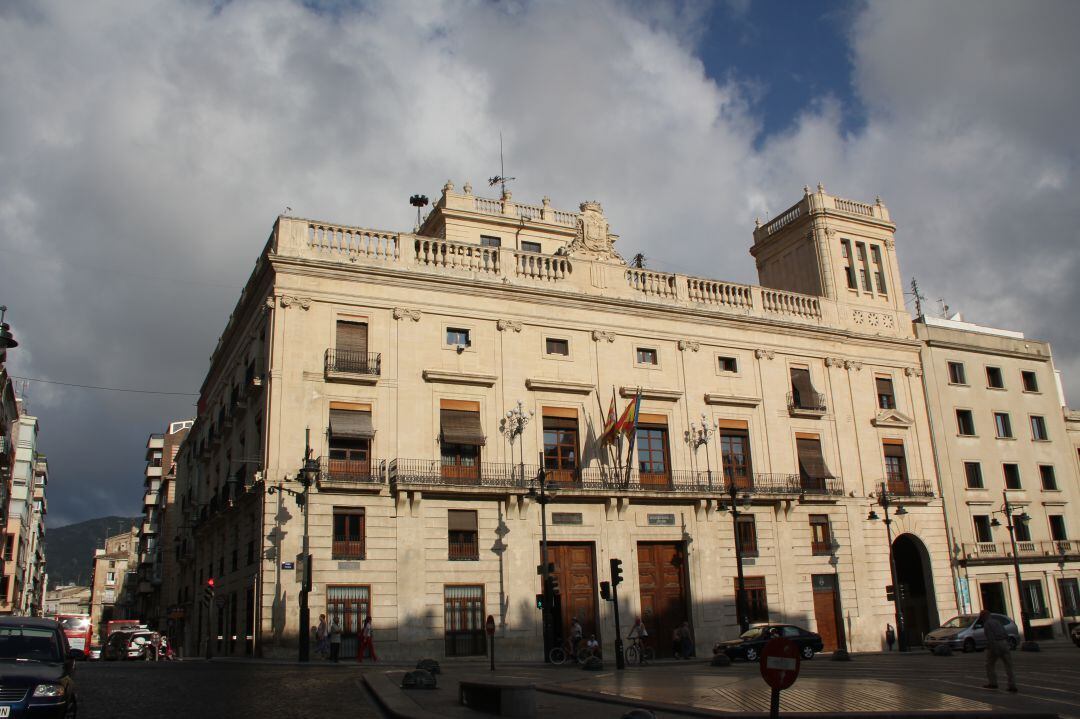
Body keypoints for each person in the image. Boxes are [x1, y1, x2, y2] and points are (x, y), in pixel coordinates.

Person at [980, 609, 1017, 692]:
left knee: (989, 664)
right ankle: (1012, 685)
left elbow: (990, 637)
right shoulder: (997, 622)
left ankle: (993, 683)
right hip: (1004, 642)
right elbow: (1005, 632)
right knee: (1008, 665)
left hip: (996, 643)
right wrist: (1008, 643)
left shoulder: (987, 624)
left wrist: (993, 648)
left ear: (984, 616)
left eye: (981, 616)